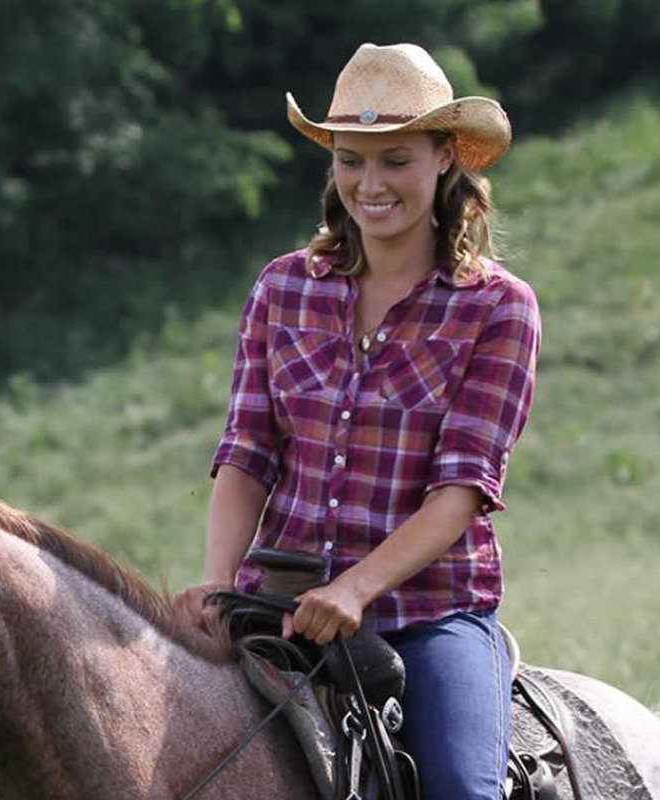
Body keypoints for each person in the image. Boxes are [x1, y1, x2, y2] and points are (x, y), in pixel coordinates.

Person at [184, 43, 539, 800]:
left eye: (396, 160)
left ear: (446, 159)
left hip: (428, 611)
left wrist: (355, 588)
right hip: (274, 605)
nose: (369, 185)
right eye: (351, 161)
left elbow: (461, 492)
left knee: (461, 791)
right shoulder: (283, 289)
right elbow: (248, 453)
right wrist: (216, 582)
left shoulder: (499, 308)